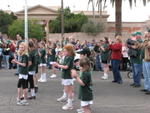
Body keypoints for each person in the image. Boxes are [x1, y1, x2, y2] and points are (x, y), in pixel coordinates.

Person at [53, 44, 75, 110]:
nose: (63, 52)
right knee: (66, 90)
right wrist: (58, 65)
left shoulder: (70, 57)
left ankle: (70, 104)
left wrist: (58, 65)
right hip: (65, 75)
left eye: (65, 51)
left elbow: (66, 67)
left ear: (69, 51)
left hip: (68, 76)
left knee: (69, 91)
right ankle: (68, 102)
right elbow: (63, 65)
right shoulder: (66, 57)